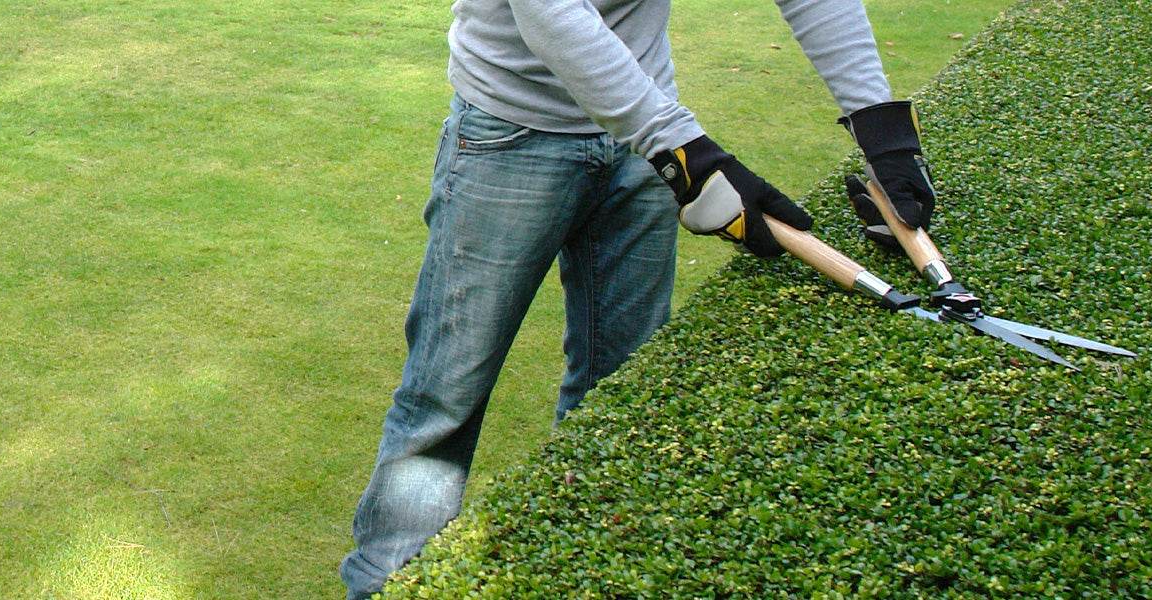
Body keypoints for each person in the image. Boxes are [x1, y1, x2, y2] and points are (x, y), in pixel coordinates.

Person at [340, 0, 936, 596]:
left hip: (642, 139)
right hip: (513, 137)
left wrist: (879, 128)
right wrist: (681, 153)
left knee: (616, 388)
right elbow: (551, 12)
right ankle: (384, 582)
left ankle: (577, 575)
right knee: (446, 396)